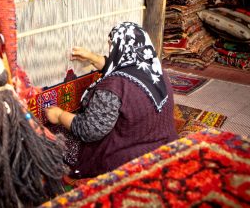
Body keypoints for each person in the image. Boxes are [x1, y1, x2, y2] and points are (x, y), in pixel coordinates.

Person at [45, 22, 178, 179]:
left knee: (50, 134)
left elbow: (89, 130)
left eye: (112, 46)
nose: (111, 50)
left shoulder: (114, 85)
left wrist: (60, 115)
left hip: (127, 157)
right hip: (164, 144)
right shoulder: (155, 70)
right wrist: (93, 58)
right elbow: (121, 64)